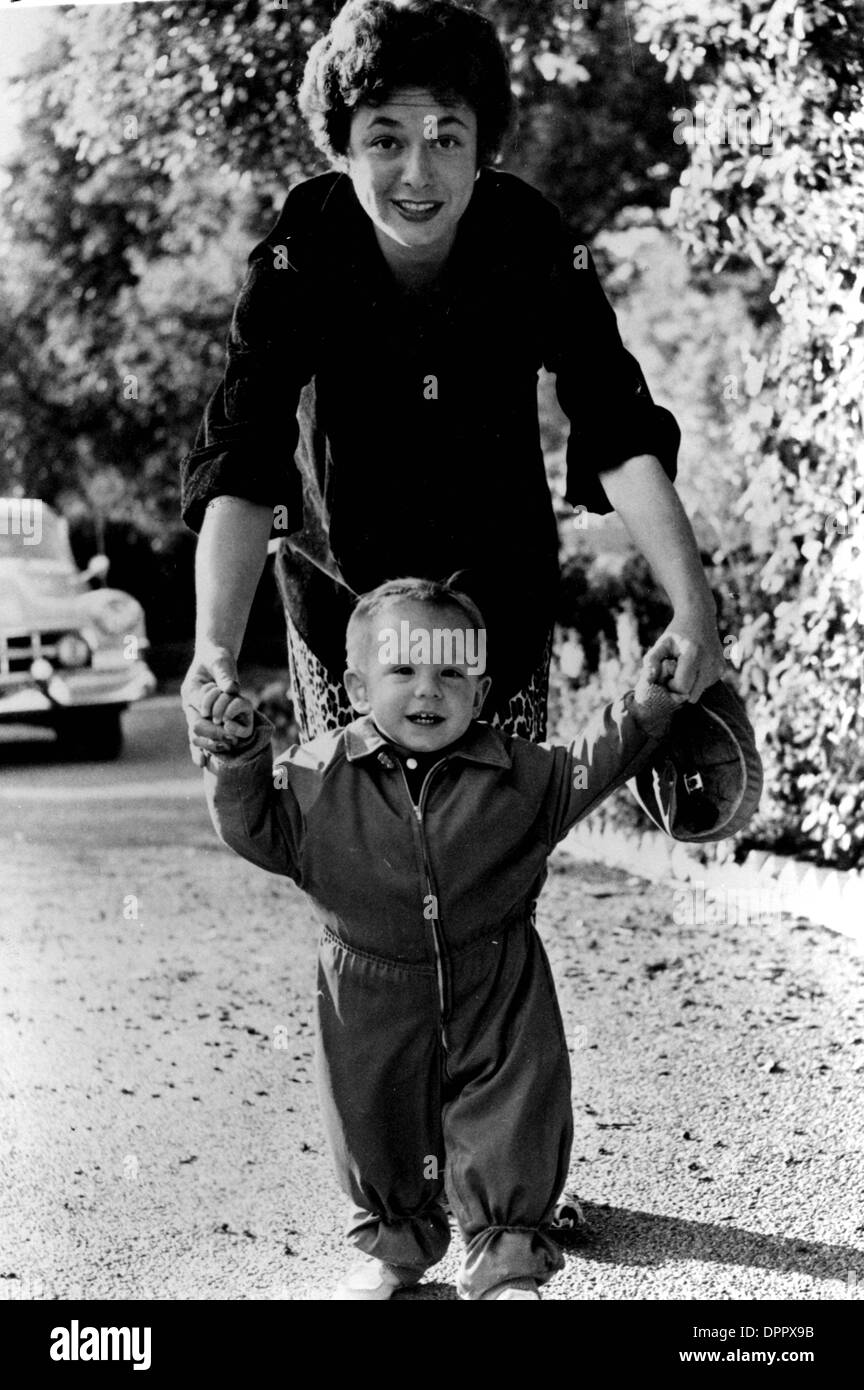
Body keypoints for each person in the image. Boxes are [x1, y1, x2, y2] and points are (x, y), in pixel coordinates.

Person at [180, 0, 724, 765]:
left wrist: (694, 611)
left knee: (494, 852)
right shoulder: (300, 253)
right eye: (385, 140)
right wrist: (214, 648)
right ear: (343, 149)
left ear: (482, 149)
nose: (417, 171)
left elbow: (616, 428)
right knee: (359, 851)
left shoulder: (532, 240)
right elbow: (245, 448)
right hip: (341, 589)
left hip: (497, 593)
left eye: (446, 138)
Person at [196, 576, 686, 1300]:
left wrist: (650, 704)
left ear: (482, 691)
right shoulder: (314, 777)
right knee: (373, 1120)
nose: (428, 690)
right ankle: (396, 1248)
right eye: (403, 670)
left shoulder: (524, 776)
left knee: (514, 1112)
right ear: (358, 684)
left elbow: (599, 758)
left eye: (451, 672)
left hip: (498, 987)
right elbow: (256, 831)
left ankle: (508, 1260)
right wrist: (236, 763)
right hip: (366, 995)